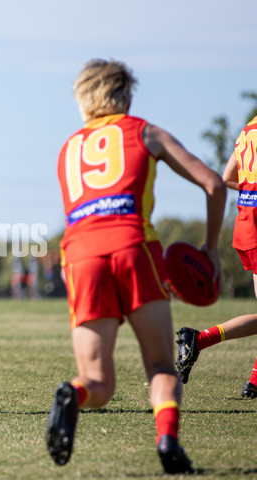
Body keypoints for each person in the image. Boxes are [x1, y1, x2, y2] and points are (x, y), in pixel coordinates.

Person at [46, 59, 226, 474]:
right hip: (133, 247)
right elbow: (214, 184)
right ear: (125, 95)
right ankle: (167, 441)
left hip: (81, 255)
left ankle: (73, 393)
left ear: (84, 98)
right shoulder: (144, 130)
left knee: (98, 383)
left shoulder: (68, 147)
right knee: (161, 366)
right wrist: (211, 249)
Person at [177, 115, 257, 399]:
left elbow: (228, 178)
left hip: (247, 225)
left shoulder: (249, 128)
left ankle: (254, 383)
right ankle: (199, 340)